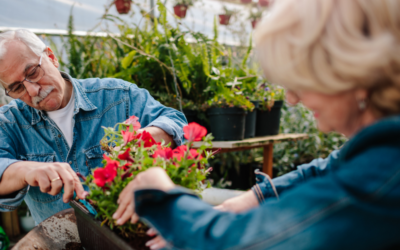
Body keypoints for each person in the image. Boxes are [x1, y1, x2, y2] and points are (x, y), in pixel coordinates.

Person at [113, 0, 400, 249]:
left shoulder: (383, 174)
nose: (292, 98)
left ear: (353, 69)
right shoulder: (385, 148)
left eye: (302, 78)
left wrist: (162, 196)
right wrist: (256, 196)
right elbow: (330, 167)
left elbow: (240, 243)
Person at [0, 29, 187, 224]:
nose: (33, 89)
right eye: (17, 88)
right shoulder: (9, 122)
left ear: (51, 57)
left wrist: (141, 138)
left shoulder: (117, 97)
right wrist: (25, 170)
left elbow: (175, 121)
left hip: (127, 234)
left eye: (33, 72)